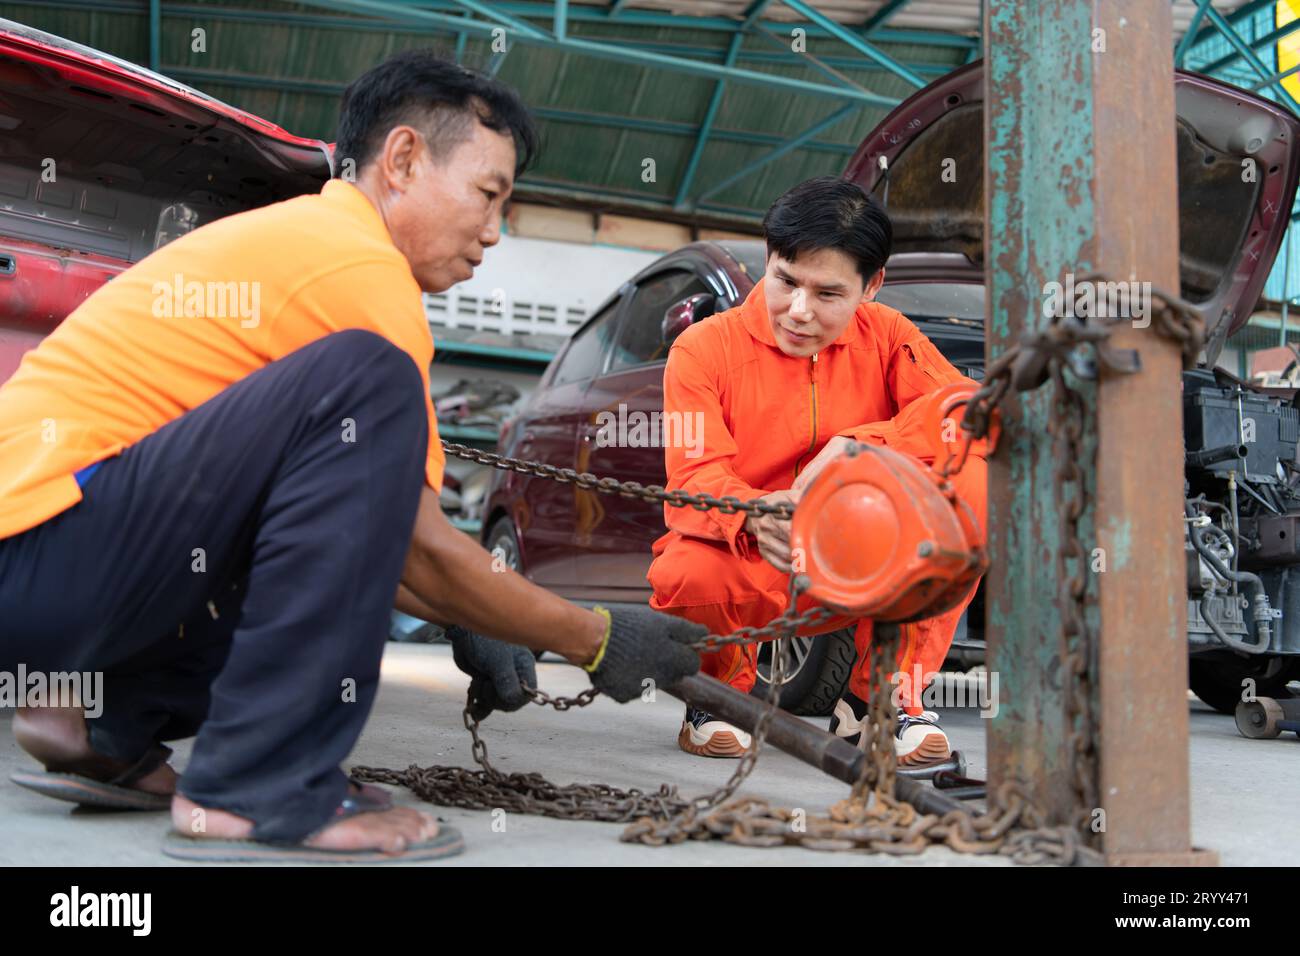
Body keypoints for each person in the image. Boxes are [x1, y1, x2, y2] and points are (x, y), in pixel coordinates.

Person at [0, 50, 703, 863]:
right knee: (367, 382)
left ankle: (95, 724)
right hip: (39, 558)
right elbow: (418, 552)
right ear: (402, 159)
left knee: (285, 500)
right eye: (487, 194)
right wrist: (594, 635)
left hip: (41, 569)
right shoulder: (360, 268)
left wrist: (478, 608)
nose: (493, 232)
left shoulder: (304, 241)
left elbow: (370, 538)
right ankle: (262, 787)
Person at [647, 177, 986, 765]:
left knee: (972, 480)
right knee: (688, 570)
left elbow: (972, 416)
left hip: (865, 556)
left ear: (871, 286)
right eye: (786, 282)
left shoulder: (890, 339)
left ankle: (881, 703)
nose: (799, 312)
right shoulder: (702, 349)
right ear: (769, 261)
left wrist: (862, 445)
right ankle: (718, 693)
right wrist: (754, 515)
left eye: (828, 294)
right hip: (760, 558)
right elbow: (692, 479)